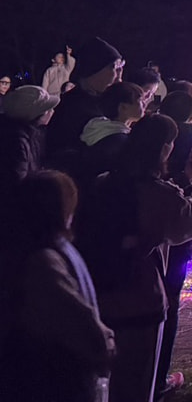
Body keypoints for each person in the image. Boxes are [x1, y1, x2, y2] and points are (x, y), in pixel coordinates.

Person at [77, 113, 192, 402]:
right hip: (138, 295)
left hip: (96, 290)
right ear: (165, 148)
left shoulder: (103, 183)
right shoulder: (160, 195)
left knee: (97, 376)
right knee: (135, 381)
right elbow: (191, 223)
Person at [0, 170, 115, 402]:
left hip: (56, 378)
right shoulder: (51, 256)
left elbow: (79, 318)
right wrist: (103, 345)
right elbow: (80, 319)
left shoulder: (47, 257)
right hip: (61, 380)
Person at [155, 87, 192, 399]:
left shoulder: (152, 131)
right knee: (169, 301)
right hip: (179, 223)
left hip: (150, 229)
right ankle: (159, 373)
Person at [45, 37, 124, 168]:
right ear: (94, 70)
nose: (118, 77)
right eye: (113, 68)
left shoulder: (102, 101)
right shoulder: (73, 107)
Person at [0, 85, 61, 223]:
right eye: (48, 108)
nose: (52, 111)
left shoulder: (29, 133)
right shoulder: (17, 141)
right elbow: (17, 184)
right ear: (36, 115)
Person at [77, 81, 146, 191]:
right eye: (140, 101)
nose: (144, 105)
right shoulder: (120, 141)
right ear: (123, 107)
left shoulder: (97, 127)